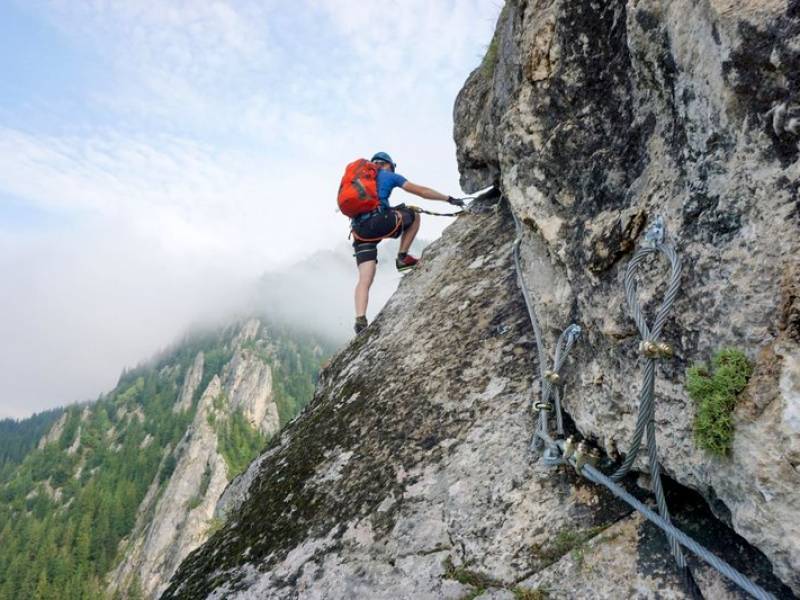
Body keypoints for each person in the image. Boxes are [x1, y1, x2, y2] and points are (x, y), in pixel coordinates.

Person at [351, 151, 463, 335]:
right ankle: (402, 257)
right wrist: (448, 199)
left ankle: (360, 320)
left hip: (359, 231)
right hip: (379, 222)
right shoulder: (388, 175)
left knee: (364, 279)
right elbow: (421, 191)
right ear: (388, 164)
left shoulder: (358, 180)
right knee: (413, 214)